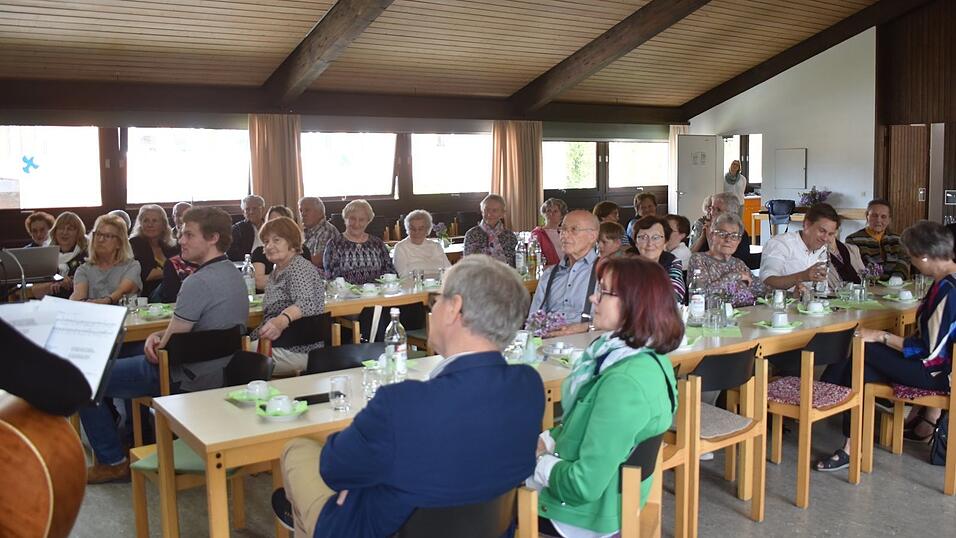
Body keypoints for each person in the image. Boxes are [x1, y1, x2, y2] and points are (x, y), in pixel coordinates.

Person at [274, 255, 544, 538]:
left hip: (378, 528)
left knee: (298, 449)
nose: (433, 308)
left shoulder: (402, 403)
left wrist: (359, 481)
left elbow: (333, 470)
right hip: (492, 528)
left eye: (436, 299)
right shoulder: (528, 387)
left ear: (454, 308)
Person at [79, 206, 248, 483]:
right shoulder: (233, 274)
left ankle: (112, 460)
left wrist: (158, 339)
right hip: (222, 368)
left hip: (184, 375)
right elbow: (185, 333)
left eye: (188, 234)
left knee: (84, 380)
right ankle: (133, 434)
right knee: (129, 352)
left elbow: (166, 350)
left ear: (213, 238)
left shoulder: (197, 282)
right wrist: (158, 335)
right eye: (181, 233)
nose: (180, 240)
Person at [528, 256, 679, 538]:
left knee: (481, 500)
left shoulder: (625, 381)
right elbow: (587, 424)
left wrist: (538, 461)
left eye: (604, 292)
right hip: (605, 498)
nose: (592, 297)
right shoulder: (641, 356)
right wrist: (547, 439)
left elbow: (583, 486)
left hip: (583, 516)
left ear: (636, 303)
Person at [815, 221, 956, 471]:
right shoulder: (945, 281)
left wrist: (881, 336)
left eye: (912, 257)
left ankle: (831, 403)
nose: (911, 262)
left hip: (934, 374)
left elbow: (929, 351)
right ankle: (851, 442)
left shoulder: (948, 290)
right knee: (862, 369)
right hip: (937, 368)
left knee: (862, 349)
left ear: (924, 257)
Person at [251, 217, 326, 376]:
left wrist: (280, 322)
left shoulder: (298, 267)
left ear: (292, 243)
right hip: (283, 344)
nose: (269, 246)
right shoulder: (278, 270)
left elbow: (306, 303)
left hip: (299, 348)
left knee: (237, 358)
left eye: (276, 240)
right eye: (266, 242)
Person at [528, 210, 600, 336]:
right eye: (563, 229)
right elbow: (532, 322)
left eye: (574, 230)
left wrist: (584, 327)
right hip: (549, 346)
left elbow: (621, 321)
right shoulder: (550, 274)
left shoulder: (608, 272)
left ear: (592, 236)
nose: (564, 235)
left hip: (588, 344)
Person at [687, 213, 763, 306]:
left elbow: (760, 289)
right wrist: (734, 276)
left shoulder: (738, 263)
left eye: (734, 236)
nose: (728, 239)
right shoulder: (699, 259)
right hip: (716, 318)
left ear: (739, 241)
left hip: (747, 316)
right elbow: (701, 297)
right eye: (722, 234)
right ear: (712, 236)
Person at [759, 203, 839, 292]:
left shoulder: (823, 249)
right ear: (807, 224)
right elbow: (767, 281)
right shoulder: (781, 243)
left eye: (830, 234)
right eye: (822, 231)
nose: (825, 238)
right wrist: (803, 276)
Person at [70, 214, 141, 305]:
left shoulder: (132, 266)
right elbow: (78, 297)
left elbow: (122, 291)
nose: (100, 239)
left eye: (107, 236)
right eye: (98, 234)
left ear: (119, 243)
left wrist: (105, 301)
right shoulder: (83, 270)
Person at [323, 199, 395, 284]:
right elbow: (332, 277)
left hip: (376, 294)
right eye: (352, 219)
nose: (357, 224)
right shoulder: (334, 244)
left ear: (368, 221)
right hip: (346, 295)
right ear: (345, 219)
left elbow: (390, 272)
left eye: (361, 220)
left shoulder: (377, 243)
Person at [251, 205, 313, 291]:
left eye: (280, 222)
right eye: (271, 221)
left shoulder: (302, 250)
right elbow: (258, 282)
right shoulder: (259, 252)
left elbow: (307, 280)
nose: (274, 226)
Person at [845, 199, 910, 280]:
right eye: (874, 215)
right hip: (868, 286)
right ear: (867, 216)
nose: (878, 220)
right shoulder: (853, 239)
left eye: (883, 217)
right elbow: (857, 267)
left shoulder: (898, 239)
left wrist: (897, 277)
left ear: (889, 219)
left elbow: (904, 261)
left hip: (896, 286)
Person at [31, 211, 88, 299]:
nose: (64, 232)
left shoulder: (86, 254)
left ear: (78, 233)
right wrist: (54, 283)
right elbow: (34, 291)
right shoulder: (46, 255)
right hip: (49, 305)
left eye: (70, 229)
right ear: (55, 231)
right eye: (61, 228)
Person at [629, 216, 685, 303]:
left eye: (656, 237)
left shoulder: (672, 262)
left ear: (665, 242)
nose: (650, 243)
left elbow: (675, 295)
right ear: (636, 242)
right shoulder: (625, 263)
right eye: (643, 237)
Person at [129, 204, 178, 299]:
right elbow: (148, 275)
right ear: (140, 224)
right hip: (148, 295)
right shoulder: (135, 242)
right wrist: (175, 272)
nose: (150, 225)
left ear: (163, 225)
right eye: (146, 220)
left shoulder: (171, 245)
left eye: (155, 221)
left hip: (171, 292)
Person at [689, 192, 752, 264]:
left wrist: (710, 239)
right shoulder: (707, 228)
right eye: (712, 208)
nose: (712, 213)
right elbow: (688, 258)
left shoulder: (738, 234)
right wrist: (702, 238)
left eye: (718, 210)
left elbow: (725, 265)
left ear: (731, 214)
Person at [463, 194, 518, 267]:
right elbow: (467, 264)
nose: (489, 214)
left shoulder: (509, 236)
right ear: (482, 212)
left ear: (502, 214)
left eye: (494, 210)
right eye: (486, 210)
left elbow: (516, 264)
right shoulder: (472, 234)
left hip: (506, 276)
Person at [393, 209, 451, 276]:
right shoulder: (401, 247)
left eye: (420, 229)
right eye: (412, 228)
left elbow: (449, 270)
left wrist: (416, 267)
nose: (416, 232)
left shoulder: (436, 246)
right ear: (407, 229)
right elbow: (403, 274)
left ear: (427, 230)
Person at [299, 196, 341, 269]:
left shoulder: (326, 231)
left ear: (320, 213)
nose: (303, 214)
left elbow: (319, 261)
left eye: (307, 210)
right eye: (301, 211)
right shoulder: (307, 231)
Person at [227, 194, 266, 261]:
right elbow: (231, 255)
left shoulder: (270, 226)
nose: (251, 212)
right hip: (247, 264)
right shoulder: (237, 229)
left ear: (263, 209)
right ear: (243, 212)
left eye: (255, 208)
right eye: (247, 209)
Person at [826, 226, 865, 291]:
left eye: (830, 233)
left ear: (836, 231)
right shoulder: (816, 254)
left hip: (857, 295)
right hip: (833, 297)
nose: (825, 237)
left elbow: (863, 277)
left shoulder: (853, 249)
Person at [531, 198, 568, 267]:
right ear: (544, 214)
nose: (551, 214)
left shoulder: (566, 232)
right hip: (549, 271)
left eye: (555, 211)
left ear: (562, 215)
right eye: (548, 211)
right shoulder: (537, 233)